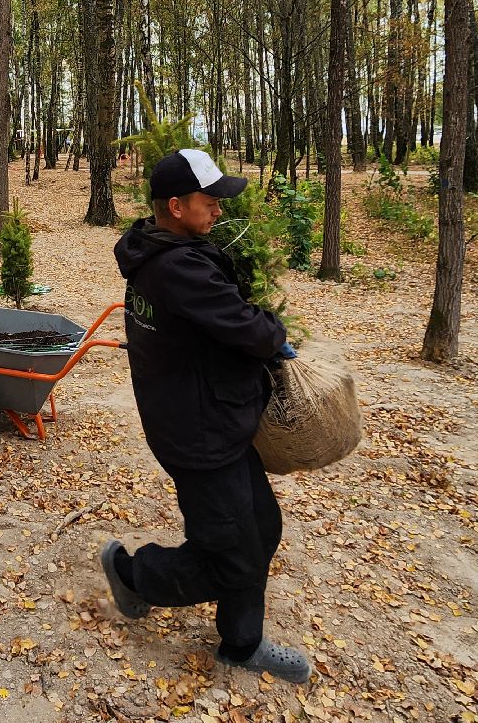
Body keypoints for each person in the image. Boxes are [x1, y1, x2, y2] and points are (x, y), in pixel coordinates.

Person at [106, 148, 311, 685]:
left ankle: (228, 625)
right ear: (175, 205)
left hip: (212, 418)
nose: (219, 210)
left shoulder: (158, 251)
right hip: (200, 434)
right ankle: (138, 578)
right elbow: (253, 329)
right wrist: (272, 333)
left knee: (259, 530)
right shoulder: (178, 268)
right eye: (209, 199)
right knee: (231, 554)